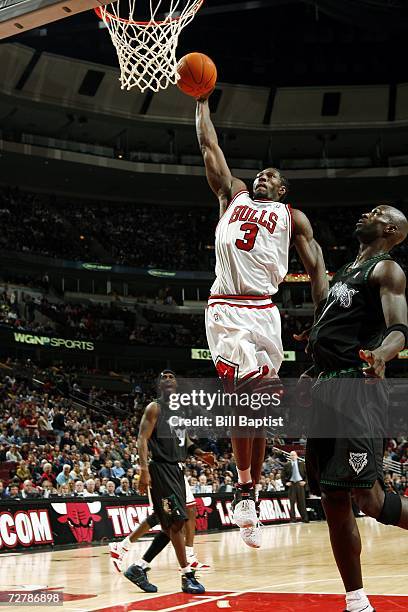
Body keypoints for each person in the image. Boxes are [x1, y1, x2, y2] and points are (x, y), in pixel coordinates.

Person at [195, 96, 328, 548]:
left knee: (261, 405)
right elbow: (210, 149)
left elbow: (316, 268)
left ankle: (247, 491)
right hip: (228, 307)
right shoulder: (231, 197)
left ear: (282, 190)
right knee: (243, 390)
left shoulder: (293, 217)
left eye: (271, 176)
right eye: (260, 174)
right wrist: (201, 104)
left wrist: (321, 315)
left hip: (266, 312)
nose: (261, 177)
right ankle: (242, 488)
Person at [304, 205, 408, 612]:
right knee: (332, 498)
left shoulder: (387, 270)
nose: (366, 213)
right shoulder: (349, 269)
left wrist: (382, 354)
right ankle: (357, 601)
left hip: (356, 386)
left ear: (390, 228)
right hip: (326, 387)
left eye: (376, 212)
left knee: (370, 500)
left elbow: (400, 330)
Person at [127, 370, 205, 594]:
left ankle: (138, 568)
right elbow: (142, 438)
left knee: (171, 525)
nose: (169, 379)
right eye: (164, 377)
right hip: (161, 469)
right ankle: (187, 576)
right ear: (159, 385)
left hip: (178, 471)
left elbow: (185, 439)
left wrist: (200, 453)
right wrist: (143, 470)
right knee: (175, 524)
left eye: (172, 376)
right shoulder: (155, 408)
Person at [282, 451, 309, 522]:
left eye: (294, 455)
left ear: (297, 456)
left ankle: (305, 518)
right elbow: (282, 476)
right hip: (292, 485)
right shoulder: (287, 465)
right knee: (292, 503)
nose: (293, 456)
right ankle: (293, 519)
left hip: (300, 484)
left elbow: (307, 475)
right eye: (291, 455)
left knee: (302, 503)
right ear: (290, 457)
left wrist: (305, 482)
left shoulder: (302, 464)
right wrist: (285, 483)